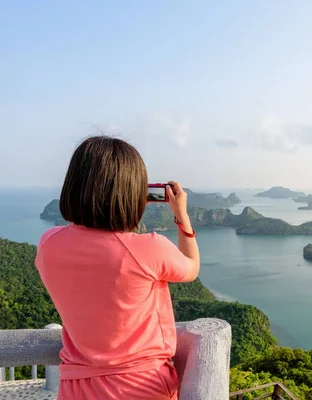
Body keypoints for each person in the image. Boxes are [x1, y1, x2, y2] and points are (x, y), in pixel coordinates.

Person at [35, 136, 200, 400]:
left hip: (75, 388)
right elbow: (191, 268)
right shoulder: (149, 249)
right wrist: (182, 216)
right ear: (132, 192)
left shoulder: (49, 244)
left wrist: (121, 210)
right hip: (142, 388)